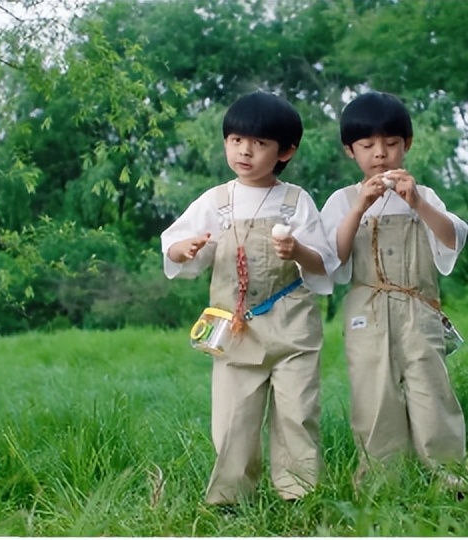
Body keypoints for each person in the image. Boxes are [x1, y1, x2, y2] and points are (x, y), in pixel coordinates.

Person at [161, 91, 339, 506]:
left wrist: (297, 252)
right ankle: (231, 498)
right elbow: (174, 245)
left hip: (292, 327)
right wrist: (185, 249)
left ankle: (300, 495)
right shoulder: (216, 201)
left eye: (259, 143)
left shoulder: (295, 202)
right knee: (232, 419)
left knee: (298, 413)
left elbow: (323, 263)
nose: (245, 150)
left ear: (286, 151)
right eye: (236, 139)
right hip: (234, 329)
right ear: (226, 142)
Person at [320, 91, 468, 487]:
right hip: (365, 311)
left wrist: (418, 202)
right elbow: (332, 258)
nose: (380, 155)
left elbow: (453, 239)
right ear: (349, 151)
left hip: (418, 307)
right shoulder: (342, 200)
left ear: (407, 145)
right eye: (367, 145)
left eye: (391, 144)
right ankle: (380, 480)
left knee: (430, 388)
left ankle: (449, 474)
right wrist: (359, 208)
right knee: (374, 395)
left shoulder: (422, 196)